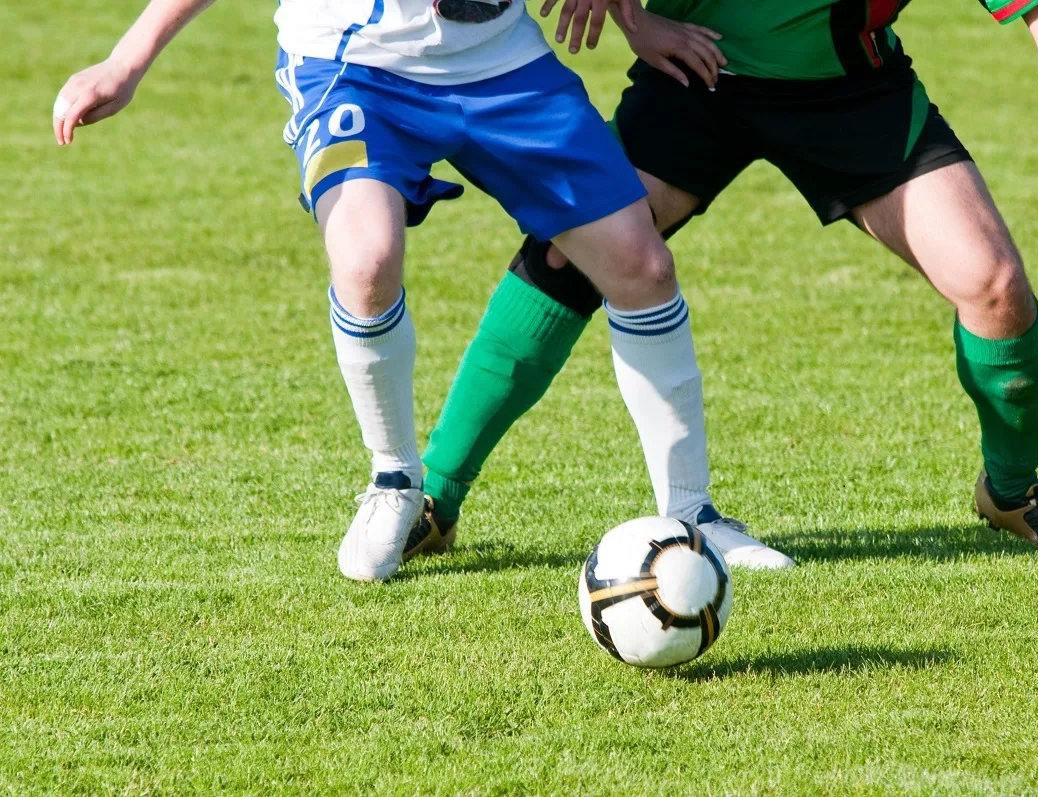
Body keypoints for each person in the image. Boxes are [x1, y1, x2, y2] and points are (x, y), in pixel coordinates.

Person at [415, 0, 1038, 560]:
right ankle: (433, 498)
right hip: (699, 73)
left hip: (852, 95)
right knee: (573, 254)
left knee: (995, 286)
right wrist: (637, 21)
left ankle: (1012, 491)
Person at [52, 0, 722, 581]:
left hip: (503, 66)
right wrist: (127, 60)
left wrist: (632, 19)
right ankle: (395, 481)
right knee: (366, 259)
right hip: (354, 70)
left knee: (641, 264)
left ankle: (692, 514)